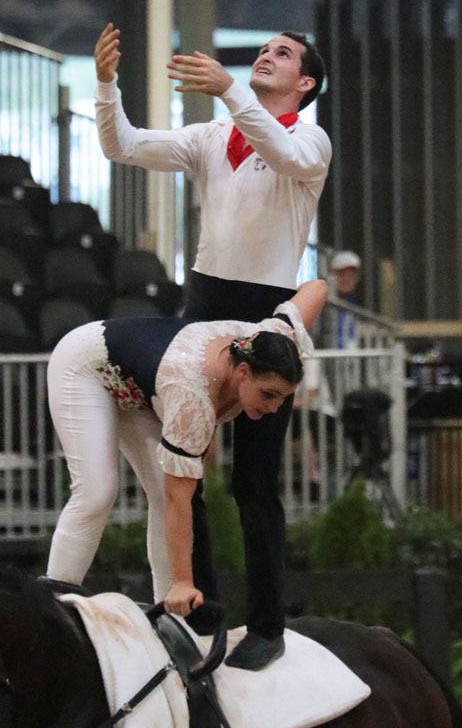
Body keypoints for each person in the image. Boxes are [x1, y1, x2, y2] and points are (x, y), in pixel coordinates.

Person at [93, 22, 330, 670]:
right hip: (204, 304)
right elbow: (123, 146)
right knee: (186, 472)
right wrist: (106, 84)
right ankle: (200, 614)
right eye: (265, 49)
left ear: (305, 83)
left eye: (283, 53)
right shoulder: (208, 136)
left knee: (254, 482)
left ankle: (269, 627)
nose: (267, 54)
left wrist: (229, 89)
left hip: (266, 313)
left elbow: (281, 152)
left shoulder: (309, 137)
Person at [46, 279, 327, 669]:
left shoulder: (273, 337)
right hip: (86, 366)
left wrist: (291, 317)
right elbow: (182, 498)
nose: (275, 409)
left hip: (140, 386)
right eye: (268, 395)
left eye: (283, 398)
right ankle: (50, 610)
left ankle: (171, 627)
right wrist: (183, 582)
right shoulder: (192, 397)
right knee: (97, 492)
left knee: (161, 497)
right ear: (243, 373)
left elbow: (317, 286)